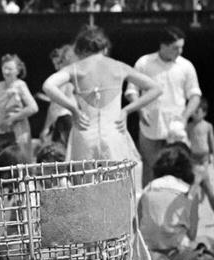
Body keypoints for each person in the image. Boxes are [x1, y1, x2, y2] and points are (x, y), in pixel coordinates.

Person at [40, 25, 159, 196]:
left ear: (80, 49)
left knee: (85, 191)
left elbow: (48, 85)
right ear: (104, 47)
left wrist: (72, 108)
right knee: (120, 190)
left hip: (84, 133)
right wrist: (127, 110)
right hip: (114, 133)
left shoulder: (76, 68)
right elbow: (155, 88)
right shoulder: (118, 66)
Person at [138, 144, 214, 260]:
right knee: (210, 243)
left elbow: (137, 225)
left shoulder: (148, 188)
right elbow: (192, 235)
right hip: (175, 251)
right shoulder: (187, 192)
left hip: (148, 252)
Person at [131, 28, 202, 184]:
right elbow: (131, 91)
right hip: (150, 127)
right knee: (150, 170)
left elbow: (195, 96)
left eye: (181, 47)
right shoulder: (143, 63)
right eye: (175, 47)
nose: (180, 51)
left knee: (180, 170)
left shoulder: (186, 66)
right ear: (163, 45)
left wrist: (184, 118)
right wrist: (140, 110)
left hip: (176, 128)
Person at [0, 54, 39, 163]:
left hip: (17, 133)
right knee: (0, 163)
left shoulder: (20, 85)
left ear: (18, 70)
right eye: (4, 68)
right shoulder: (0, 85)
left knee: (19, 164)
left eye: (10, 69)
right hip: (0, 132)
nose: (6, 72)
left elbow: (33, 107)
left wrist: (11, 119)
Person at [185, 96, 214, 227]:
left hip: (204, 159)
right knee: (202, 189)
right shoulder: (188, 126)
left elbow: (212, 141)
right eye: (193, 111)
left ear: (204, 112)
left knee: (200, 188)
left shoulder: (208, 126)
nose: (194, 114)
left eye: (197, 111)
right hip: (193, 159)